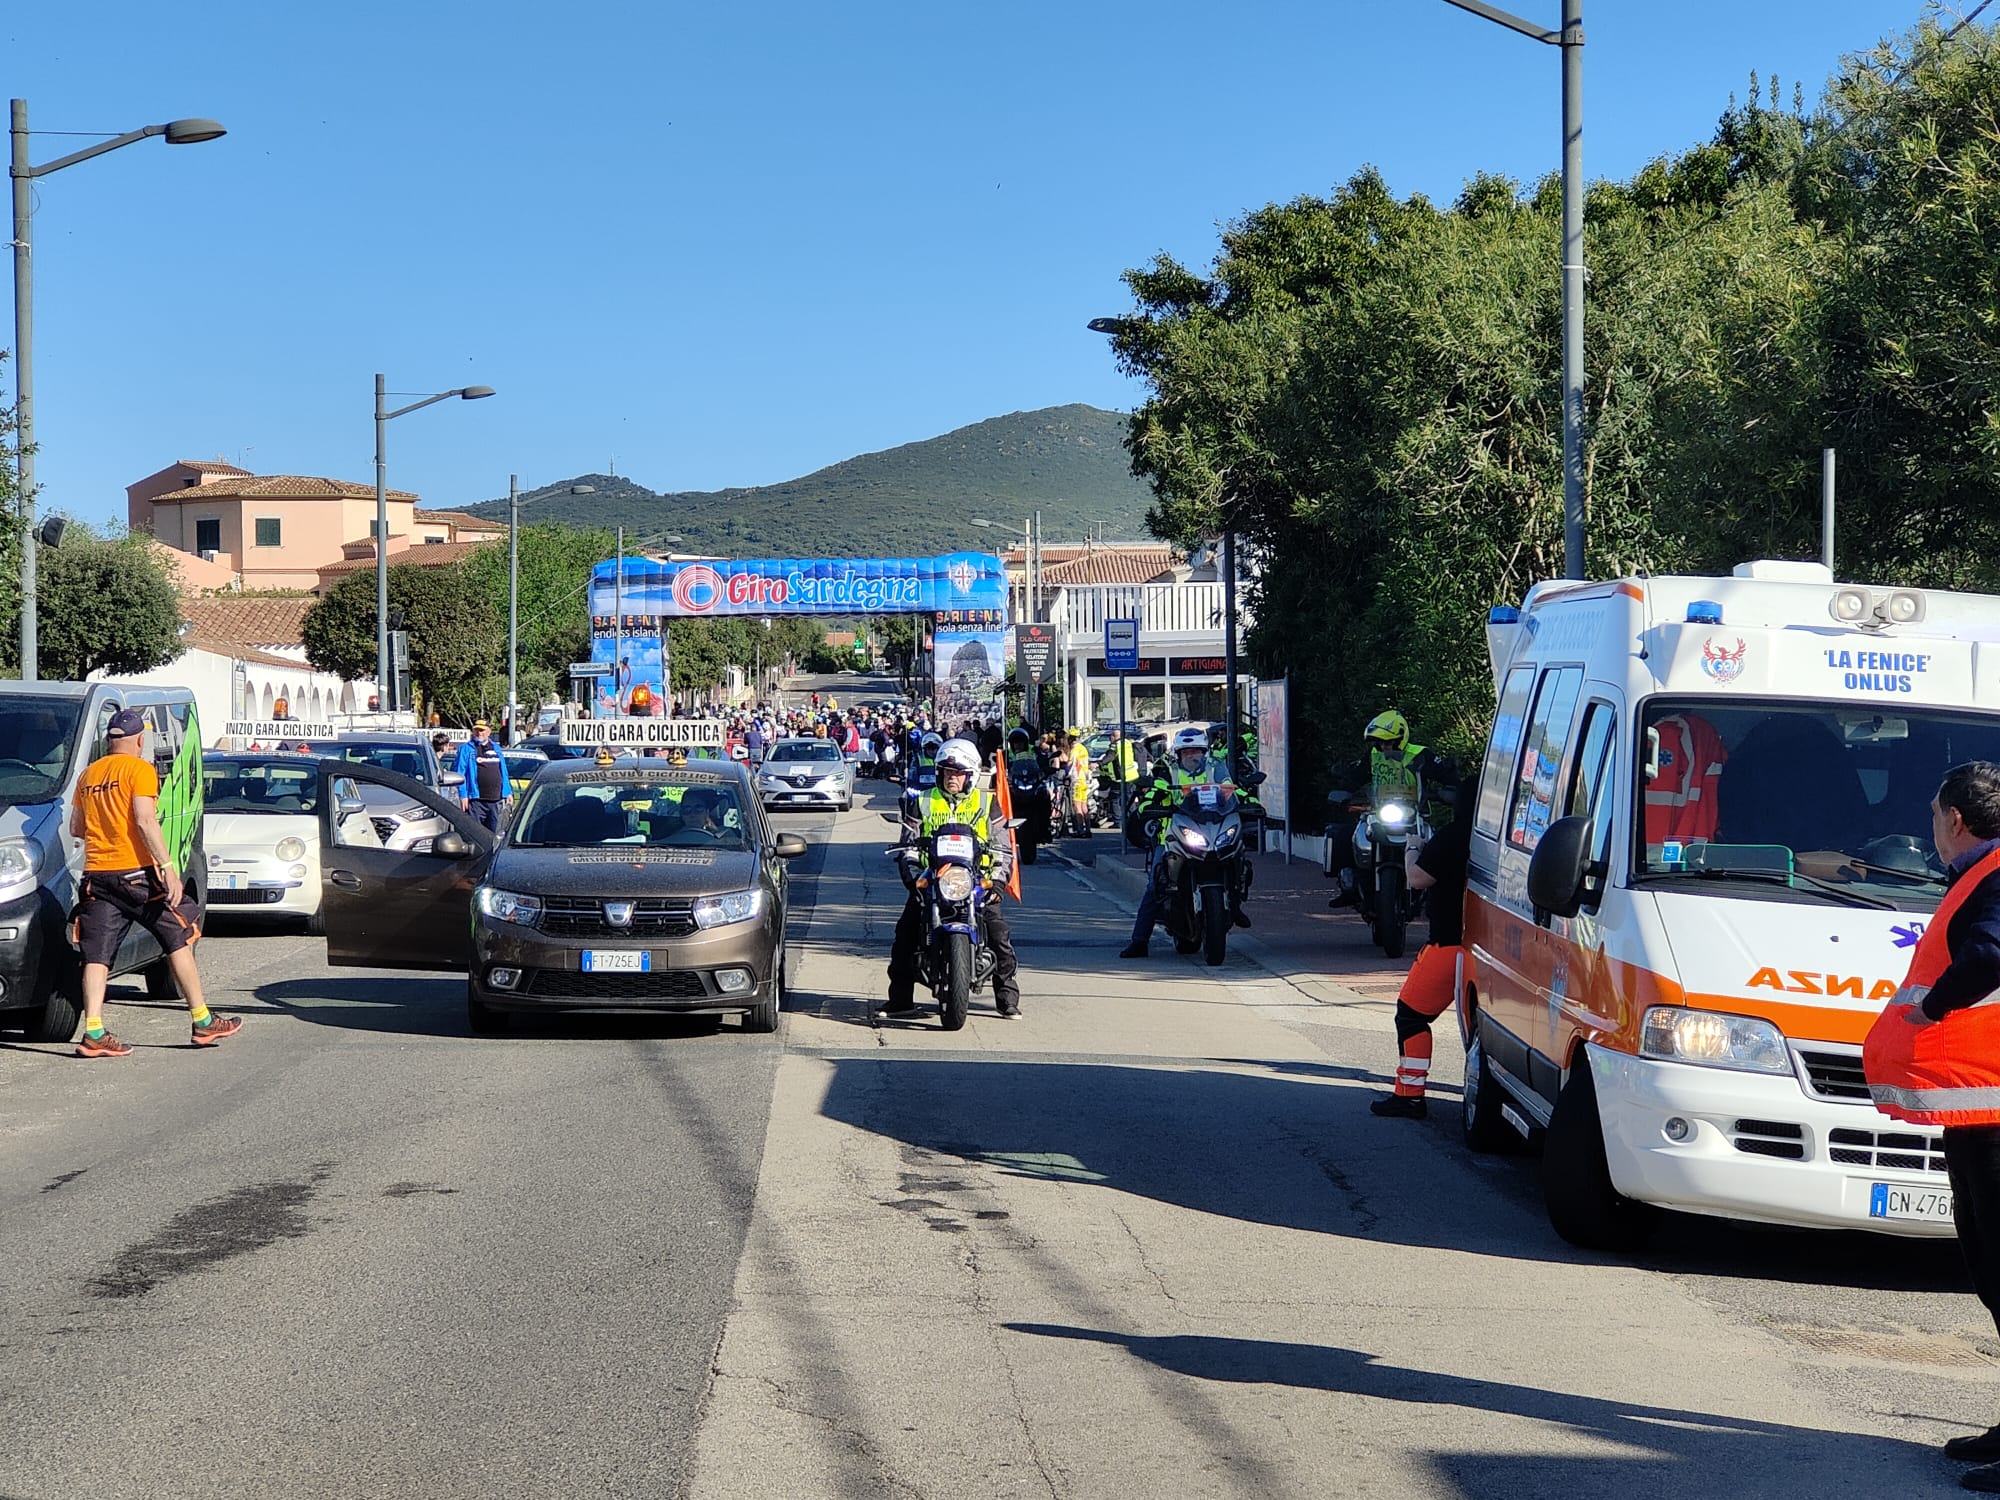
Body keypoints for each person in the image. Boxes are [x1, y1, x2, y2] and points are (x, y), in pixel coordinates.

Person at [1864, 762, 2000, 1490]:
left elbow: (1991, 956)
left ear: (1954, 819)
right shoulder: (1979, 875)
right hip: (1977, 1105)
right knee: (1990, 1268)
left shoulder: (1995, 877)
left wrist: (1931, 1007)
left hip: (1993, 1108)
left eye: (1932, 813)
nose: (1931, 826)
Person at [68, 709, 241, 1058]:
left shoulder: (89, 775)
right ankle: (203, 1020)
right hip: (136, 873)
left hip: (97, 876)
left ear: (109, 740)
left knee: (97, 954)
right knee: (179, 932)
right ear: (139, 740)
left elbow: (76, 827)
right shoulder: (140, 770)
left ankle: (94, 1031)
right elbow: (145, 821)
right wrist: (167, 867)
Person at [885, 738, 1022, 1019]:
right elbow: (908, 844)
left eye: (958, 773)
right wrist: (913, 879)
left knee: (999, 935)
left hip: (976, 880)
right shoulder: (923, 800)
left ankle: (1006, 998)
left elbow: (1003, 847)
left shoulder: (987, 802)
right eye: (948, 772)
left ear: (970, 775)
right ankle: (900, 1000)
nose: (952, 778)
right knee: (905, 934)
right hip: (933, 878)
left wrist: (997, 881)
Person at [1372, 776, 1478, 1118]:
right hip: (1485, 945)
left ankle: (1410, 1094)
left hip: (1448, 944)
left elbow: (1417, 879)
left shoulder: (1454, 836)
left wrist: (1412, 849)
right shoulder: (1492, 839)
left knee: (1411, 1015)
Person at [1120, 727, 1243, 958]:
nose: (1191, 755)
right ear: (1178, 754)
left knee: (1237, 853)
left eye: (1196, 751)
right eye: (1186, 752)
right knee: (1155, 884)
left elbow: (1230, 789)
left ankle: (1235, 902)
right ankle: (1139, 941)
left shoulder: (1215, 768)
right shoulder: (1167, 769)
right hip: (1173, 833)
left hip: (1212, 826)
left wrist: (1249, 801)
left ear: (1204, 752)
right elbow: (1154, 792)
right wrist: (1148, 807)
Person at [1330, 708, 1445, 909]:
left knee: (1440, 844)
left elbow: (1444, 773)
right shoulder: (1373, 755)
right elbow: (1357, 776)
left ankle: (1439, 895)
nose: (1384, 746)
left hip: (1414, 815)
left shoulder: (1420, 754)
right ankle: (1349, 889)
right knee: (1344, 836)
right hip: (1378, 814)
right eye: (1380, 742)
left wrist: (1451, 788)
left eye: (1389, 742)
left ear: (1401, 738)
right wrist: (1344, 791)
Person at [453, 720, 512, 833]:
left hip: (496, 800)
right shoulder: (466, 749)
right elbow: (460, 773)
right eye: (476, 730)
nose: (479, 733)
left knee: (495, 834)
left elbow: (503, 771)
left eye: (482, 730)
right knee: (475, 834)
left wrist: (508, 791)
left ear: (489, 732)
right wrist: (463, 795)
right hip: (476, 801)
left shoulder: (496, 748)